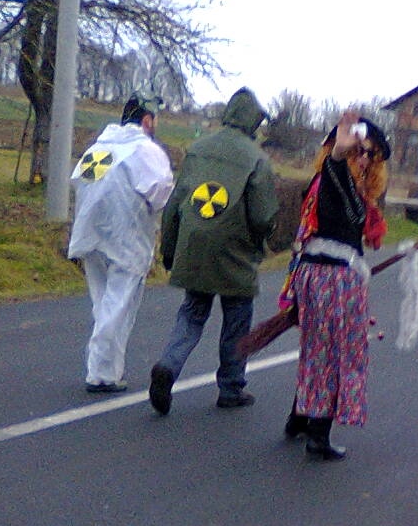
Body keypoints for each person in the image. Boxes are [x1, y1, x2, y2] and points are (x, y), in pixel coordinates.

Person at [149, 87, 279, 415]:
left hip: (195, 246)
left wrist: (169, 250)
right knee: (237, 319)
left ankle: (168, 366)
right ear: (253, 121)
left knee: (192, 313)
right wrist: (262, 242)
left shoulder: (198, 150)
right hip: (235, 253)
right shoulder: (257, 159)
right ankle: (231, 388)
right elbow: (263, 216)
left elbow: (175, 204)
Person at [278, 111, 391, 461]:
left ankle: (300, 417)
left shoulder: (351, 189)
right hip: (333, 280)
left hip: (326, 276)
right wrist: (340, 154)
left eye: (370, 153)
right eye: (358, 151)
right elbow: (336, 174)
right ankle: (318, 434)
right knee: (338, 355)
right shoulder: (332, 178)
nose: (364, 159)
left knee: (319, 349)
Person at [68, 89, 174, 393]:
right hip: (125, 236)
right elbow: (160, 190)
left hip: (91, 232)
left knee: (103, 302)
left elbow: (79, 183)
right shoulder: (145, 150)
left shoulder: (98, 147)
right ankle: (102, 374)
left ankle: (105, 369)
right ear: (146, 120)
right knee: (118, 304)